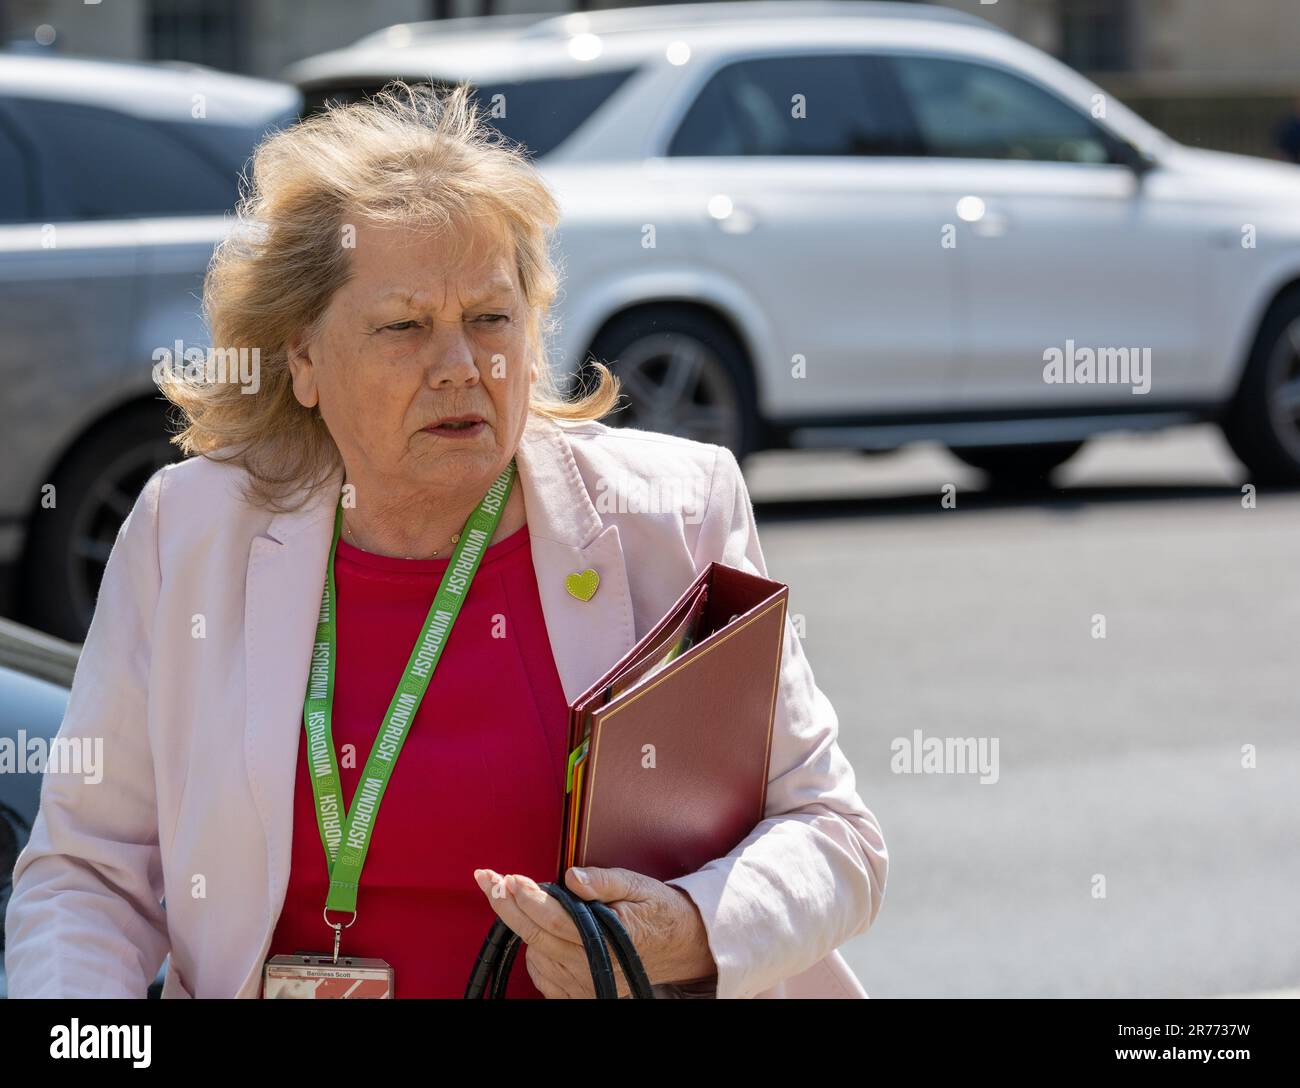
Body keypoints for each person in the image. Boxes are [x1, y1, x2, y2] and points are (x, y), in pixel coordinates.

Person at [4, 83, 887, 999]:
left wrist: (684, 933)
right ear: (302, 358)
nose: (461, 365)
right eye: (404, 326)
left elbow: (831, 832)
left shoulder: (671, 515)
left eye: (491, 318)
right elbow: (88, 875)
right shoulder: (187, 531)